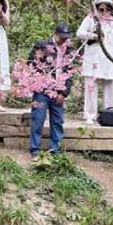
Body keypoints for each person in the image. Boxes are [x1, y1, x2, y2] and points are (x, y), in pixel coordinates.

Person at [28, 23, 75, 160]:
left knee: (58, 121)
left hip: (59, 89)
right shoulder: (42, 45)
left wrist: (64, 93)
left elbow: (70, 73)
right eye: (61, 37)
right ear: (55, 34)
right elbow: (31, 64)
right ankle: (35, 149)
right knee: (38, 119)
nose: (63, 40)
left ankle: (56, 150)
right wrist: (39, 82)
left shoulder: (69, 50)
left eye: (66, 38)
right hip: (42, 89)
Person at [76, 0, 113, 124]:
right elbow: (79, 33)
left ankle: (108, 113)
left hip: (109, 57)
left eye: (107, 9)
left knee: (109, 86)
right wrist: (94, 36)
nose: (104, 12)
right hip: (93, 57)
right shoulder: (90, 19)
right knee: (91, 85)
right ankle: (90, 114)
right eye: (101, 9)